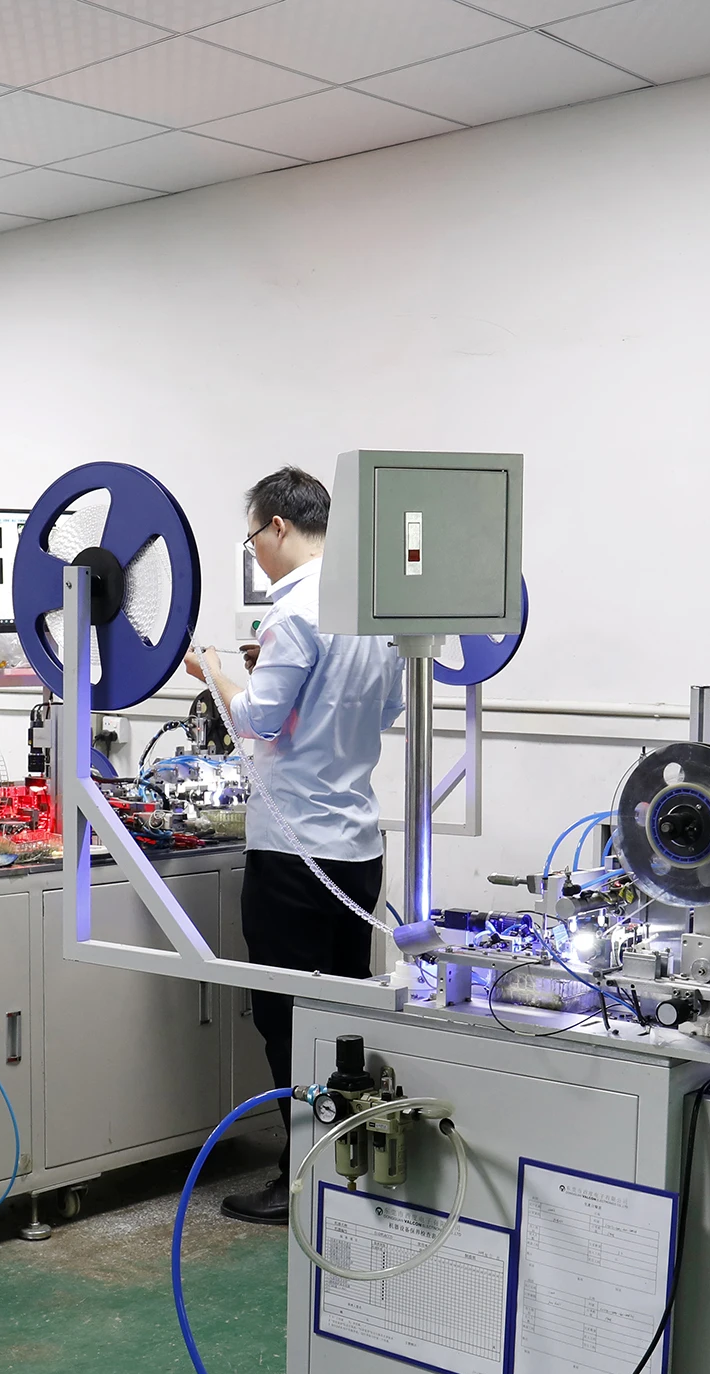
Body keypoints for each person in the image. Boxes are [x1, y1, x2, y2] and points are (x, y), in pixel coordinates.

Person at [185, 466, 404, 1225]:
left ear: (278, 526)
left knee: (285, 1021)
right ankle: (351, 1175)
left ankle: (298, 1182)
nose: (255, 552)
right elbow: (385, 706)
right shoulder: (369, 606)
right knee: (347, 1018)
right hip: (355, 848)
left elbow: (256, 722)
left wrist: (216, 672)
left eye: (254, 537)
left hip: (291, 854)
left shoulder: (292, 610)